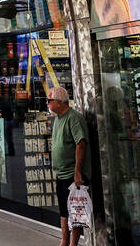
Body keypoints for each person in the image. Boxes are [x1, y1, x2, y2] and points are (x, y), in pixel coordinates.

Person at [48, 87, 90, 246]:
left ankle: (73, 243)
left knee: (76, 211)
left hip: (73, 175)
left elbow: (81, 144)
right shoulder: (58, 118)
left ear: (59, 102)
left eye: (49, 100)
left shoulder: (73, 118)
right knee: (64, 211)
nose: (48, 103)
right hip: (61, 173)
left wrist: (78, 171)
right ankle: (64, 241)